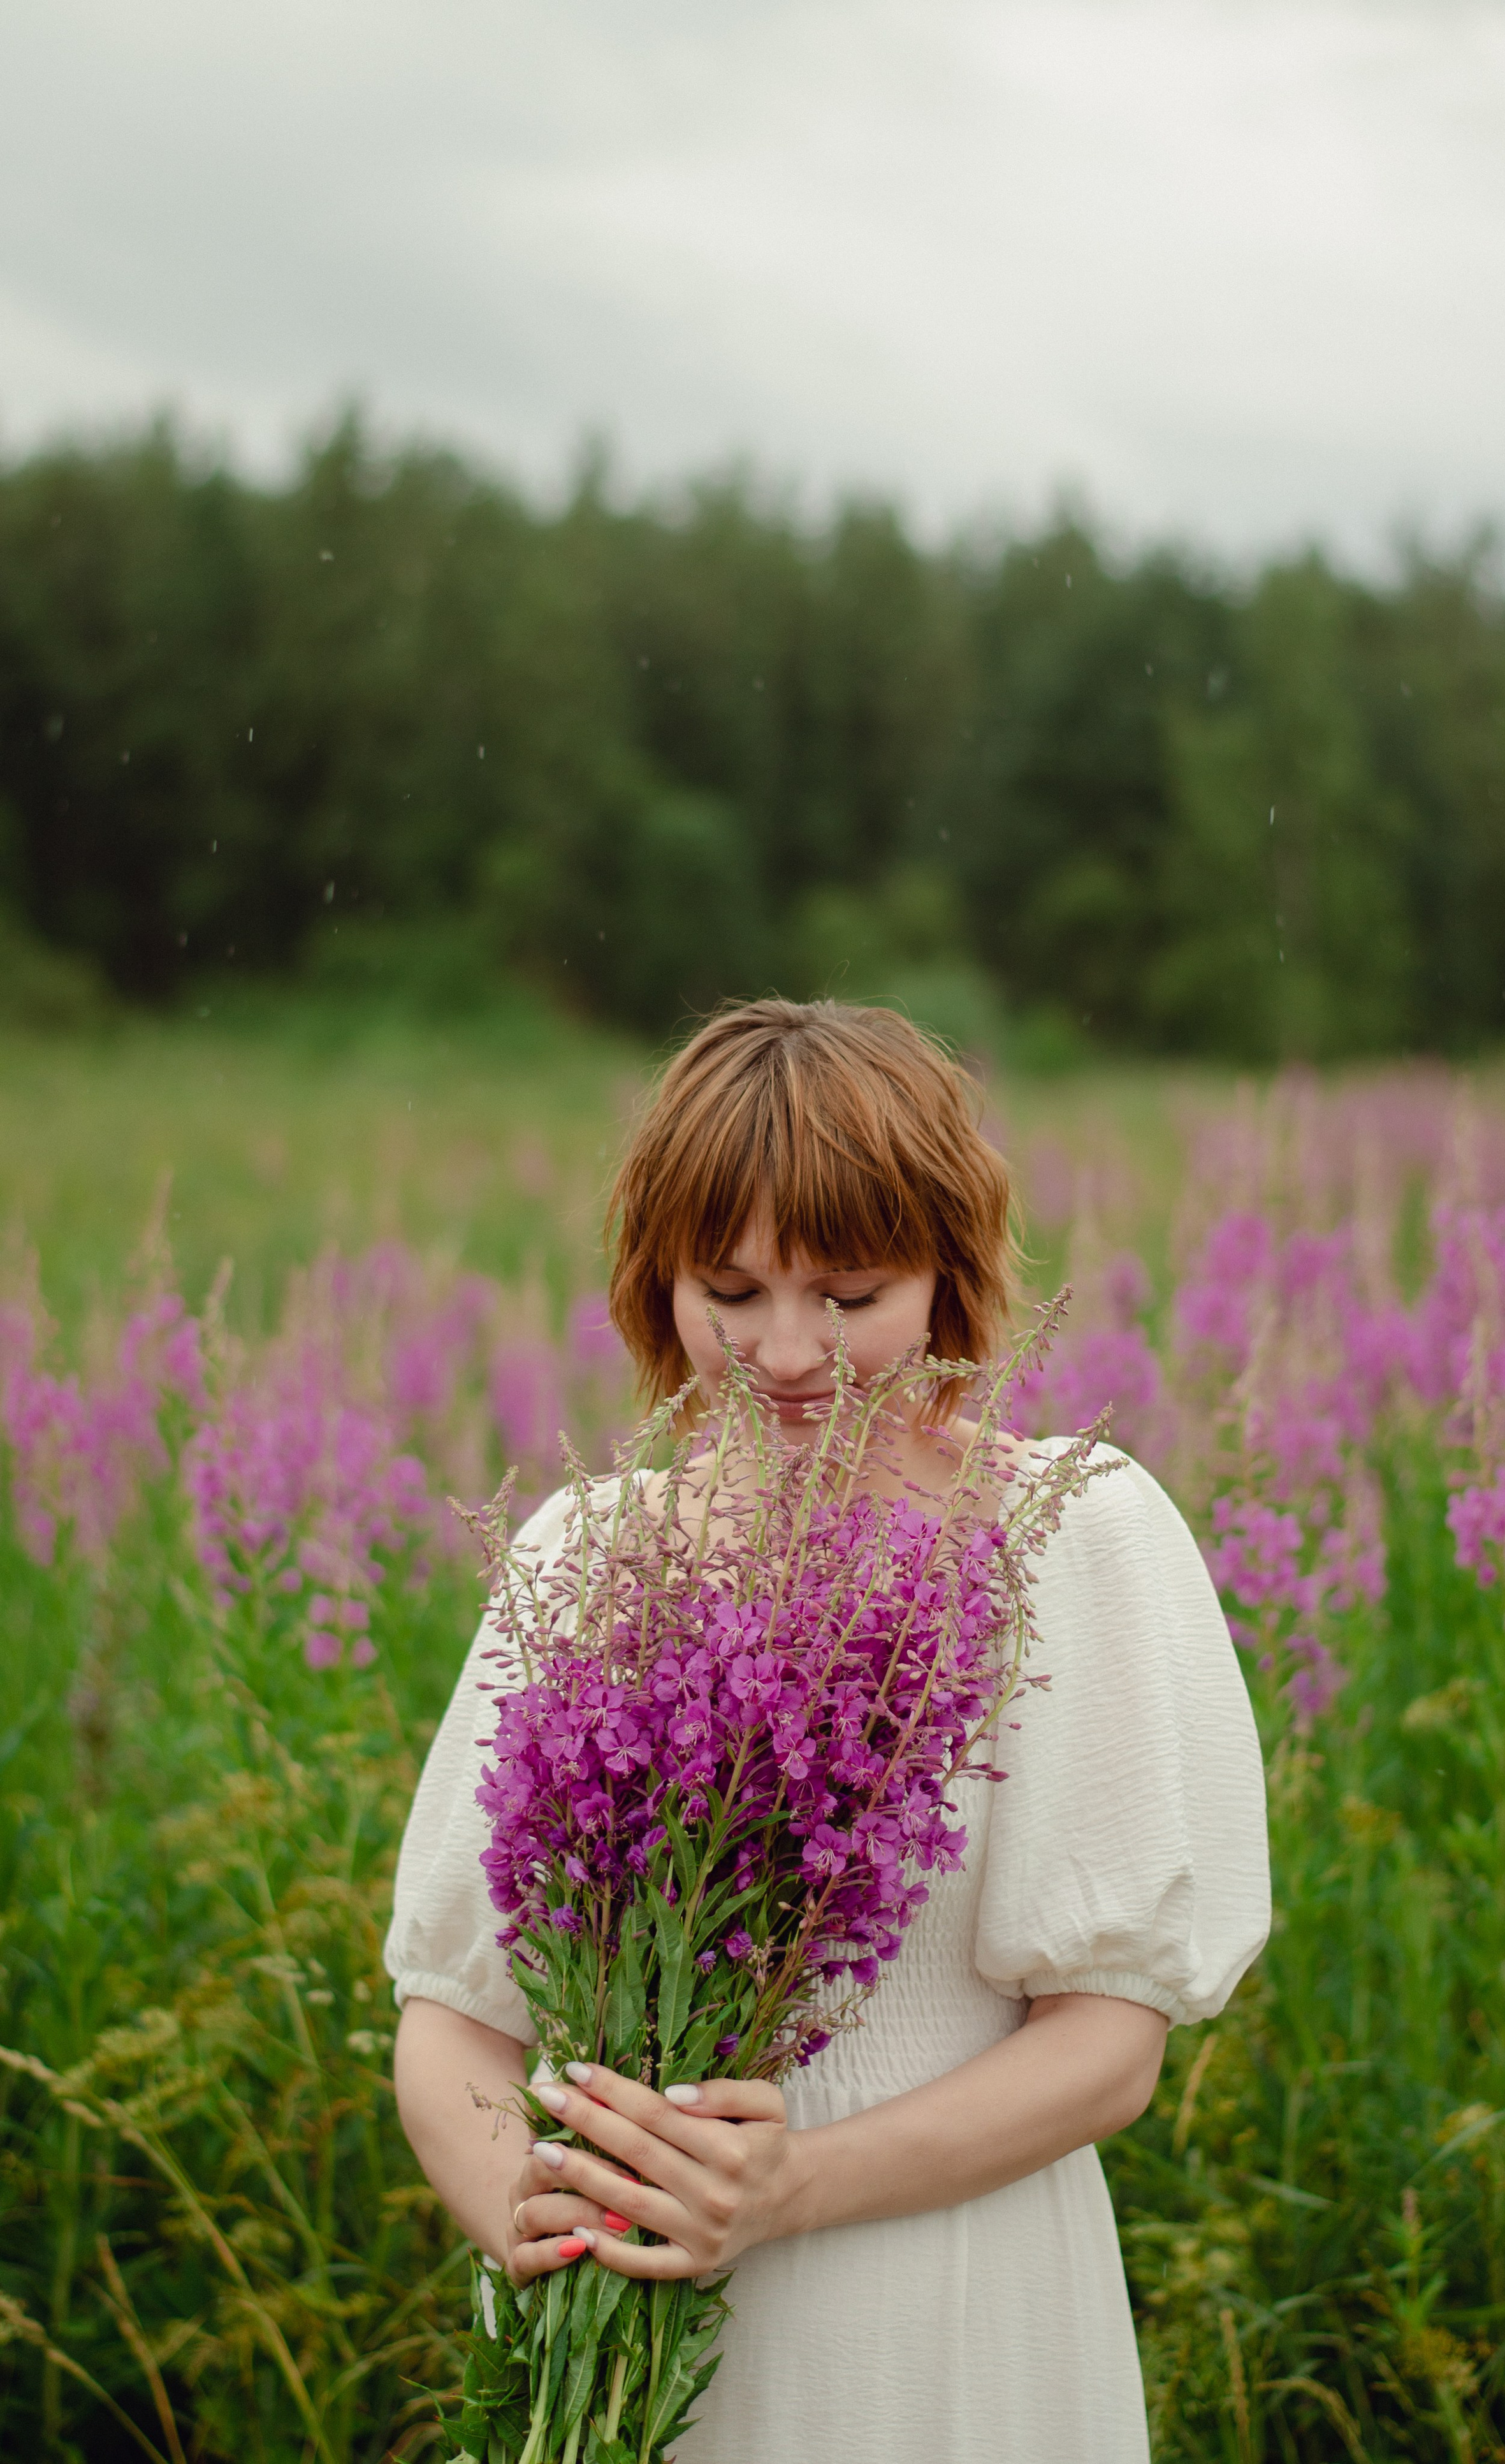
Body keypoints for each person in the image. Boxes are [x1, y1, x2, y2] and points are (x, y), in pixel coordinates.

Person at [386, 998, 1270, 2464]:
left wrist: (786, 2186)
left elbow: (1108, 2043)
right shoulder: (582, 1557)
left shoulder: (1069, 1536)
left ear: (944, 1276)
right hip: (610, 2321)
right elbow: (453, 2017)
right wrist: (530, 2211)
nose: (784, 1351)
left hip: (933, 2311)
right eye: (727, 1292)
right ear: (656, 1279)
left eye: (848, 1293)